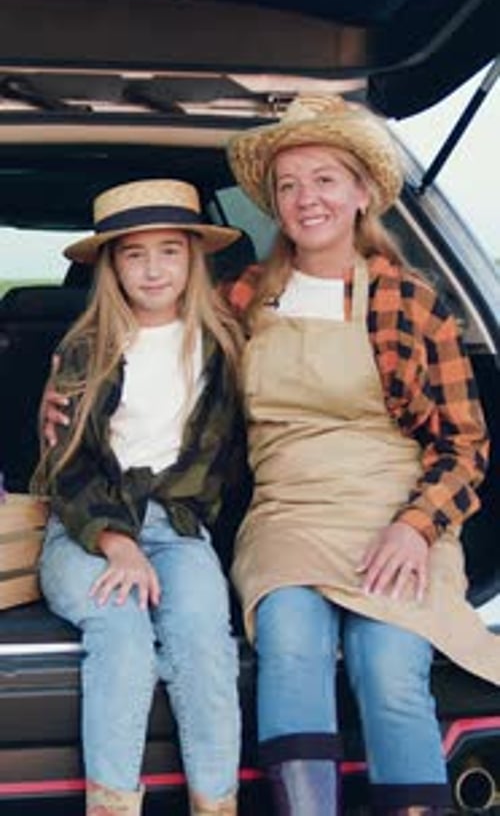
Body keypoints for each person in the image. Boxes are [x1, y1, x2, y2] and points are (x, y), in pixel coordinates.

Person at [223, 94, 500, 816]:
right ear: (272, 203)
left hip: (397, 517)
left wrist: (415, 527)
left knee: (386, 664)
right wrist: (67, 396)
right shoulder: (245, 299)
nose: (305, 198)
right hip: (288, 514)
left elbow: (465, 445)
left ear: (361, 193)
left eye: (323, 179)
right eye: (288, 184)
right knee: (290, 643)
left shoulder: (412, 301)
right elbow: (152, 353)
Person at [32, 178, 246, 816]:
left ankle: (217, 804)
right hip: (83, 529)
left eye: (170, 251)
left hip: (178, 525)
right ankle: (114, 807)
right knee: (122, 631)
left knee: (206, 640)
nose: (153, 269)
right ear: (111, 267)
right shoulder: (84, 349)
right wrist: (118, 544)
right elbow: (65, 471)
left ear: (193, 259)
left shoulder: (222, 345)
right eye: (133, 254)